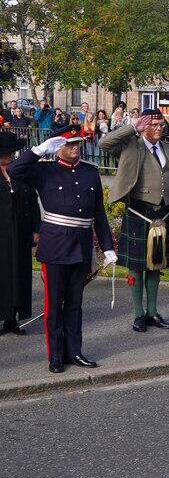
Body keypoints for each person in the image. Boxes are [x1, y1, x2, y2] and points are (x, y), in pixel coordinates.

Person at [8, 125, 116, 373]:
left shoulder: (90, 172)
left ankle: (74, 351)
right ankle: (55, 355)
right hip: (55, 245)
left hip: (81, 244)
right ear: (58, 147)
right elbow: (14, 170)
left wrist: (107, 247)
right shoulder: (44, 170)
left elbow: (98, 213)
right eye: (69, 144)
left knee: (75, 304)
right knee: (54, 304)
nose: (76, 147)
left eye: (78, 143)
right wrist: (38, 150)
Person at [100, 109, 169, 333]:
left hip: (162, 214)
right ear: (144, 126)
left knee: (156, 265)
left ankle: (153, 312)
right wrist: (132, 127)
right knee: (136, 267)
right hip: (138, 212)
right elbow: (104, 143)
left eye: (161, 124)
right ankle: (138, 314)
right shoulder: (131, 146)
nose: (159, 128)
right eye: (153, 125)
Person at [1, 131, 39, 335]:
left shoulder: (21, 173)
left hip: (21, 232)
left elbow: (33, 201)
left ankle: (12, 319)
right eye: (7, 152)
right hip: (2, 234)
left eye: (12, 152)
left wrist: (36, 229)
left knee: (19, 274)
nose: (11, 155)